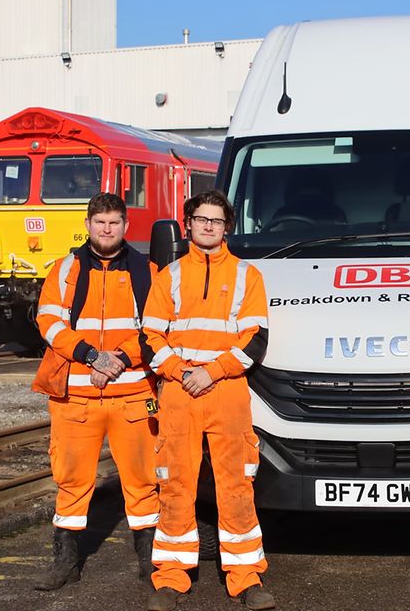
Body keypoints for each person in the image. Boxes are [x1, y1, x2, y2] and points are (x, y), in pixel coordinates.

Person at [141, 190, 275, 611]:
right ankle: (171, 578)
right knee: (175, 482)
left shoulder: (247, 275)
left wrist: (211, 372)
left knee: (236, 484)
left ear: (227, 227)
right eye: (201, 219)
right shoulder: (170, 275)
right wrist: (184, 373)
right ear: (188, 223)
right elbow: (150, 339)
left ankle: (246, 579)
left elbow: (256, 341)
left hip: (227, 390)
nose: (208, 226)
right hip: (180, 390)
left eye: (216, 221)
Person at [31, 192, 159, 589]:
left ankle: (150, 561)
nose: (107, 229)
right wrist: (90, 356)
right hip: (75, 399)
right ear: (88, 225)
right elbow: (48, 322)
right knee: (71, 481)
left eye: (115, 222)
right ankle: (65, 563)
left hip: (133, 396)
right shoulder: (63, 270)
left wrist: (118, 358)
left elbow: (157, 329)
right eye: (100, 222)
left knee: (144, 479)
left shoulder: (148, 271)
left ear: (125, 226)